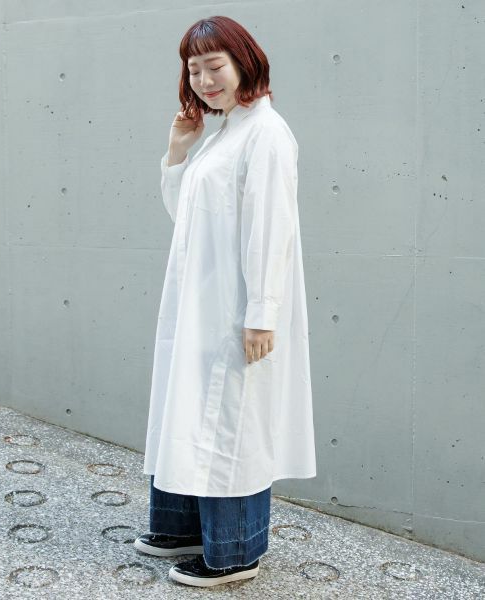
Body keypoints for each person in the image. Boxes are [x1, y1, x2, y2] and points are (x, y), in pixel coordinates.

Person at [134, 15, 316, 587]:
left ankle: (235, 552)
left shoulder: (267, 133)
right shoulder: (224, 132)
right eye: (194, 70)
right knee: (191, 411)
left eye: (215, 66)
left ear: (244, 63)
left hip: (236, 307)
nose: (205, 80)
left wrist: (262, 312)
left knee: (231, 423)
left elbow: (271, 230)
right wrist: (177, 151)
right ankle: (182, 527)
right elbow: (186, 219)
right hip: (199, 303)